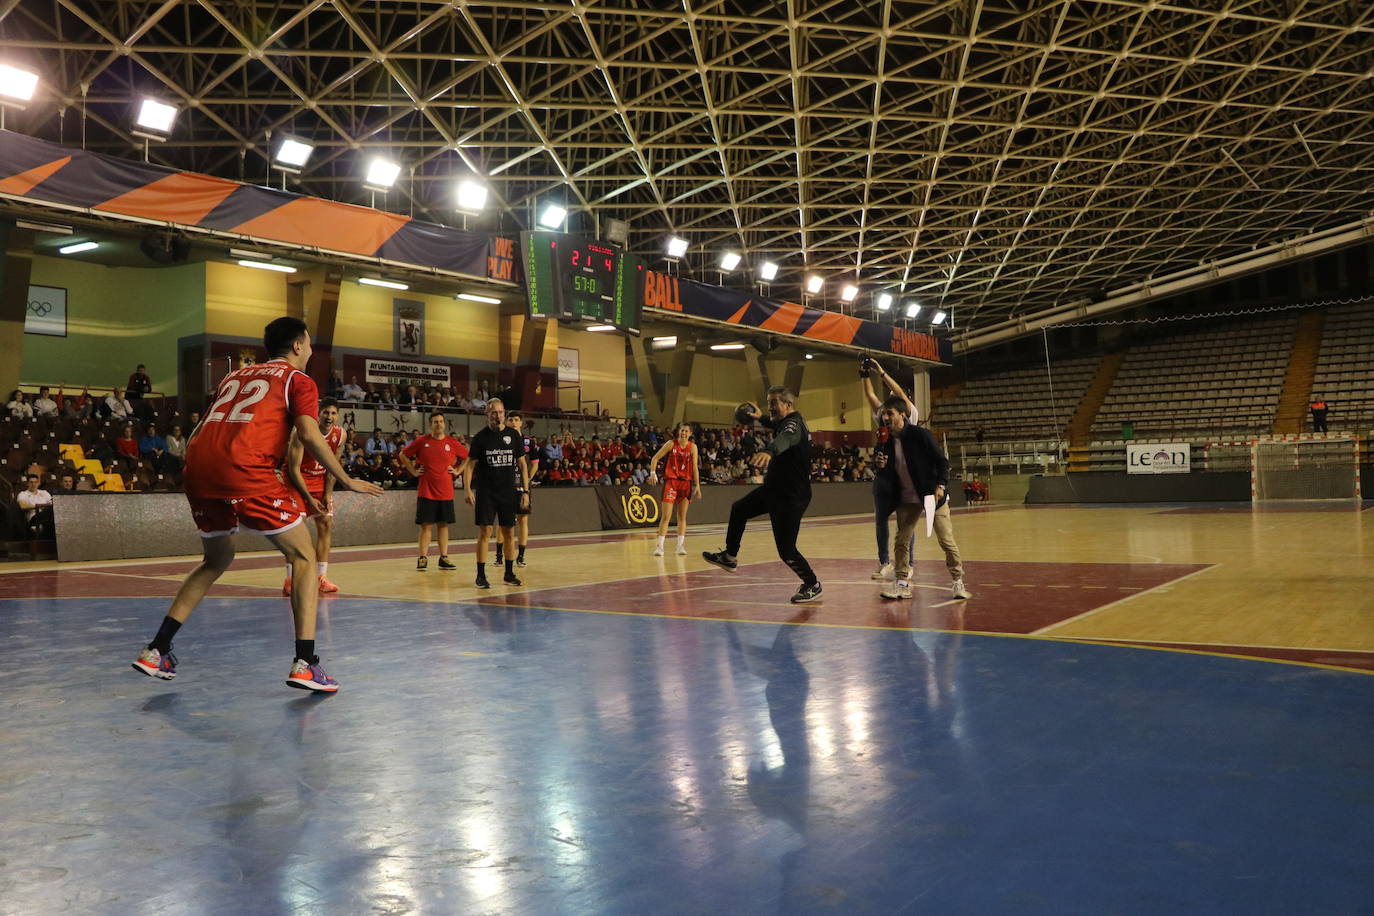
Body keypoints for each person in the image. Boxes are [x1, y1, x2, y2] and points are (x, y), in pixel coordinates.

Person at [130, 317, 383, 692]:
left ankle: (157, 649)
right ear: (297, 345)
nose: (311, 350)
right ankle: (306, 663)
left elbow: (203, 427)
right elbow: (310, 433)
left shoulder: (234, 377)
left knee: (216, 560)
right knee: (304, 557)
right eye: (309, 343)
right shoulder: (299, 381)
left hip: (198, 468)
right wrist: (345, 479)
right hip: (244, 469)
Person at [703, 387, 822, 604]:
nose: (770, 406)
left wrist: (769, 451)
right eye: (768, 402)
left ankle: (812, 583)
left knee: (786, 550)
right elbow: (778, 424)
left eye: (774, 402)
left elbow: (785, 437)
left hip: (791, 496)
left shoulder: (793, 425)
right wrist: (762, 418)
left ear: (788, 404)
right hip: (774, 490)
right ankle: (730, 557)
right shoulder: (788, 420)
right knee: (739, 509)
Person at [875, 396, 970, 601]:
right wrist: (881, 466)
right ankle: (901, 583)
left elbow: (942, 462)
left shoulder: (920, 435)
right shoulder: (885, 443)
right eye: (884, 414)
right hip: (906, 498)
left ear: (902, 414)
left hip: (931, 495)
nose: (885, 417)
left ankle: (958, 581)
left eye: (889, 413)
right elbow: (887, 475)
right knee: (902, 540)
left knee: (946, 540)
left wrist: (941, 486)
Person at [461, 398, 529, 589]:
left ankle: (509, 573)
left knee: (508, 532)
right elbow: (470, 466)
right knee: (486, 532)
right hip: (487, 492)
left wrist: (525, 490)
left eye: (500, 412)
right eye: (493, 412)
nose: (497, 416)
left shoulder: (513, 436)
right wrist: (467, 489)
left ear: (504, 413)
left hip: (508, 492)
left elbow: (523, 465)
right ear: (486, 414)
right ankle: (481, 576)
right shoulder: (481, 438)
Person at [283, 397, 348, 593]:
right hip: (296, 481)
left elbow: (333, 467)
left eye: (333, 413)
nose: (329, 417)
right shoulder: (302, 431)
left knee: (326, 523)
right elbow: (293, 469)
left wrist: (327, 494)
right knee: (295, 532)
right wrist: (309, 498)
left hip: (320, 481)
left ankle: (321, 577)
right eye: (325, 412)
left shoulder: (340, 434)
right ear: (317, 414)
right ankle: (290, 579)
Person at [860, 357, 917, 580]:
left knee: (906, 522)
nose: (887, 413)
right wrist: (864, 375)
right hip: (884, 477)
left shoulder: (909, 413)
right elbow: (870, 396)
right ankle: (884, 561)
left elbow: (900, 394)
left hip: (905, 478)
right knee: (880, 521)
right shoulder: (884, 417)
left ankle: (908, 562)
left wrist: (881, 372)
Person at [398, 412, 467, 571]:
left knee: (443, 525)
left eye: (441, 421)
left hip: (446, 492)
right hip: (426, 491)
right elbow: (403, 455)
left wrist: (458, 471)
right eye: (435, 422)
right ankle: (423, 558)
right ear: (431, 425)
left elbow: (469, 458)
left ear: (445, 424)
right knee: (426, 525)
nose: (439, 424)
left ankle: (444, 558)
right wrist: (414, 472)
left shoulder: (452, 442)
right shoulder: (422, 441)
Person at [646, 422, 702, 556]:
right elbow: (655, 458)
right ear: (678, 431)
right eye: (682, 430)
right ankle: (659, 547)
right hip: (671, 482)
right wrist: (652, 474)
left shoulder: (693, 447)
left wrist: (697, 485)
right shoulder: (671, 443)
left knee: (682, 517)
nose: (683, 433)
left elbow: (694, 468)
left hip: (686, 483)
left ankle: (680, 546)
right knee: (666, 516)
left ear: (690, 434)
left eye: (686, 431)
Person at [495, 412, 537, 568]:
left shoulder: (529, 441)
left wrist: (528, 481)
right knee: (503, 522)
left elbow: (535, 463)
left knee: (523, 520)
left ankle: (521, 556)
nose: (513, 422)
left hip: (522, 486)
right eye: (510, 420)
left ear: (521, 423)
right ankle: (499, 555)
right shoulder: (500, 439)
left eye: (516, 420)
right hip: (505, 486)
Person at [16, 473, 54, 538]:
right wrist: (39, 506)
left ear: (38, 483)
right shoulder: (23, 494)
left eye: (35, 482)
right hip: (34, 517)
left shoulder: (44, 492)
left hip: (47, 516)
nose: (33, 484)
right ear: (27, 483)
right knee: (49, 511)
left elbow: (53, 503)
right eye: (31, 482)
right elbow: (23, 506)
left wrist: (45, 506)